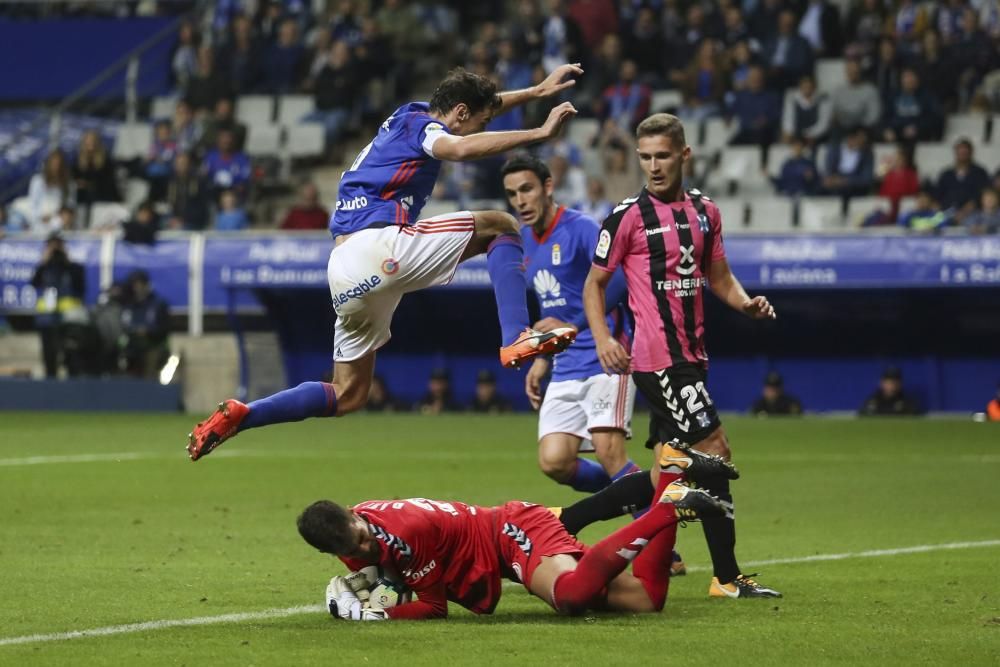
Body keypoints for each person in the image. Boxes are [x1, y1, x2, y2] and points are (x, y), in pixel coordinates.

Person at [187, 65, 584, 461]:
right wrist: (539, 134)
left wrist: (535, 92)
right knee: (501, 225)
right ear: (460, 114)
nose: (476, 128)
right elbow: (459, 148)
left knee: (349, 393)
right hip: (379, 246)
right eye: (478, 122)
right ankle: (515, 335)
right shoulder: (427, 130)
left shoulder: (408, 113)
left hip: (343, 269)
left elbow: (481, 108)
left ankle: (246, 414)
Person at [582, 113, 782, 599]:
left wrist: (745, 302)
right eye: (645, 157)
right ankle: (727, 577)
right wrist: (604, 339)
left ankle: (565, 520)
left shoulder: (706, 212)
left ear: (684, 155)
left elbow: (719, 278)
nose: (653, 166)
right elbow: (595, 285)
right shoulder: (626, 216)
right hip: (658, 359)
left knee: (663, 473)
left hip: (692, 355)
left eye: (663, 156)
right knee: (715, 452)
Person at [298, 445, 734, 621]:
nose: (365, 545)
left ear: (354, 514)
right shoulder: (349, 537)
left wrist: (377, 613)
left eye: (362, 534)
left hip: (510, 532)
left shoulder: (404, 532)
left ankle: (666, 509)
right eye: (354, 547)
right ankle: (669, 473)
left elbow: (434, 607)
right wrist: (385, 581)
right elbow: (391, 571)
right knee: (647, 600)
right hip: (503, 540)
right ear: (332, 551)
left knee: (571, 597)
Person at [501, 153, 639, 492]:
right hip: (566, 362)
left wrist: (573, 326)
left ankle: (661, 541)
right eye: (512, 193)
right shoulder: (525, 241)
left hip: (606, 353)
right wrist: (543, 358)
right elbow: (554, 308)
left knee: (609, 453)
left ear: (548, 186)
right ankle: (640, 493)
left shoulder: (581, 228)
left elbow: (618, 283)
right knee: (555, 461)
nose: (521, 200)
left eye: (527, 189)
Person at [31, 233, 87, 378]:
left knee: (71, 355)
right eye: (52, 245)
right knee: (49, 356)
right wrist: (44, 261)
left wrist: (67, 261)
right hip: (47, 319)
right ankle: (50, 385)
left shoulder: (74, 268)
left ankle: (73, 386)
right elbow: (34, 283)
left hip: (69, 319)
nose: (55, 249)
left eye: (58, 245)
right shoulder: (44, 268)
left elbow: (80, 287)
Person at [119, 270, 170, 380]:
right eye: (134, 284)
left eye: (140, 284)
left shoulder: (158, 304)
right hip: (131, 346)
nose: (137, 288)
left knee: (151, 360)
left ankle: (150, 388)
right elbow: (123, 326)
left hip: (153, 345)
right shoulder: (128, 305)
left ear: (146, 285)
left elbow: (164, 328)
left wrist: (148, 331)